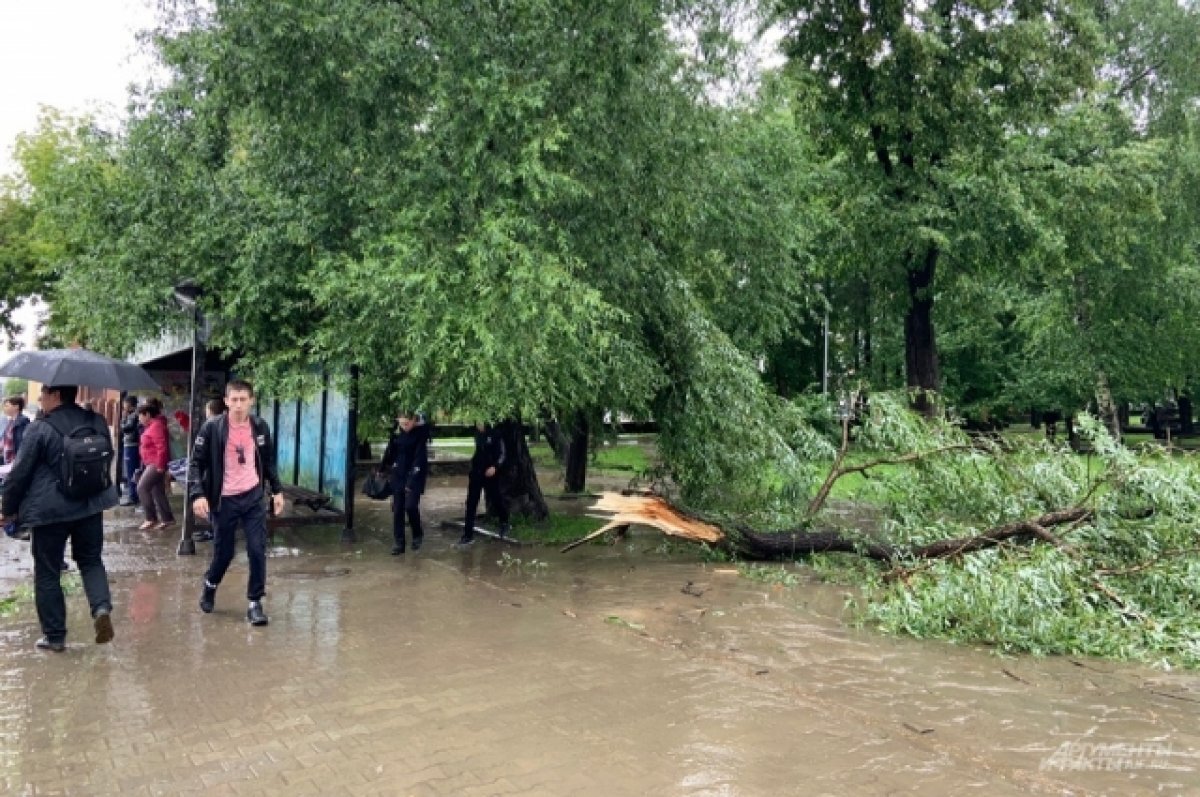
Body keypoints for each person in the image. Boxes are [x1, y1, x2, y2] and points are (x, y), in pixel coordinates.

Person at [0, 385, 116, 651]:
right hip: (89, 505)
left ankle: (55, 637)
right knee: (90, 561)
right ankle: (100, 608)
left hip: (50, 512)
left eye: (42, 395)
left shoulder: (40, 428)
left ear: (55, 395)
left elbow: (19, 475)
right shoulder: (96, 420)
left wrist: (7, 510)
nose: (40, 400)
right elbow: (105, 457)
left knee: (48, 572)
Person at [187, 379, 284, 626]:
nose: (239, 405)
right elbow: (196, 463)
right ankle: (210, 584)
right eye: (234, 400)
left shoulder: (260, 427)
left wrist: (277, 490)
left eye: (244, 399)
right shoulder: (212, 428)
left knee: (256, 549)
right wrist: (198, 494)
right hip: (224, 499)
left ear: (251, 400)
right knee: (225, 553)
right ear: (226, 401)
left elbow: (268, 461)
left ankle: (255, 603)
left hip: (252, 496)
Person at [378, 411, 428, 555]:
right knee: (398, 509)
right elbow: (389, 453)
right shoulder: (396, 435)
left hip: (414, 475)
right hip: (398, 475)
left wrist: (411, 481)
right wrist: (382, 468)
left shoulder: (420, 435)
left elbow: (419, 459)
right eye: (402, 422)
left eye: (408, 422)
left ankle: (417, 534)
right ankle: (399, 543)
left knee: (411, 506)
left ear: (414, 421)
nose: (405, 426)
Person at [460, 421, 510, 545]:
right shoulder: (477, 435)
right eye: (477, 422)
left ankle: (504, 522)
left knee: (496, 499)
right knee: (471, 503)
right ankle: (467, 535)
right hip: (477, 473)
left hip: (491, 473)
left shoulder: (495, 434)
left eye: (481, 422)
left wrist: (495, 467)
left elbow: (503, 454)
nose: (478, 425)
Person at [136, 400, 175, 531]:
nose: (139, 419)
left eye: (140, 416)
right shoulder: (152, 426)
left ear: (147, 414)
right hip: (151, 462)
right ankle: (167, 519)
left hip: (155, 463)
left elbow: (162, 447)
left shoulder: (156, 426)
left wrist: (160, 465)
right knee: (157, 491)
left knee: (142, 487)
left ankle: (150, 518)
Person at [2, 395, 31, 539]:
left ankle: (19, 526)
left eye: (7, 404)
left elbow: (22, 446)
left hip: (15, 465)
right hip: (8, 464)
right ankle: (12, 523)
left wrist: (18, 465)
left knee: (16, 494)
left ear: (16, 407)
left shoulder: (22, 423)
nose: (5, 407)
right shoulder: (10, 422)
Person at [119, 396, 142, 507]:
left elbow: (126, 428)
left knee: (131, 471)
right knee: (133, 471)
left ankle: (133, 496)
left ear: (129, 404)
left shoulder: (133, 416)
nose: (123, 407)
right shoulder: (133, 415)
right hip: (131, 444)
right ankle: (134, 494)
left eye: (125, 404)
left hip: (131, 445)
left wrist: (123, 419)